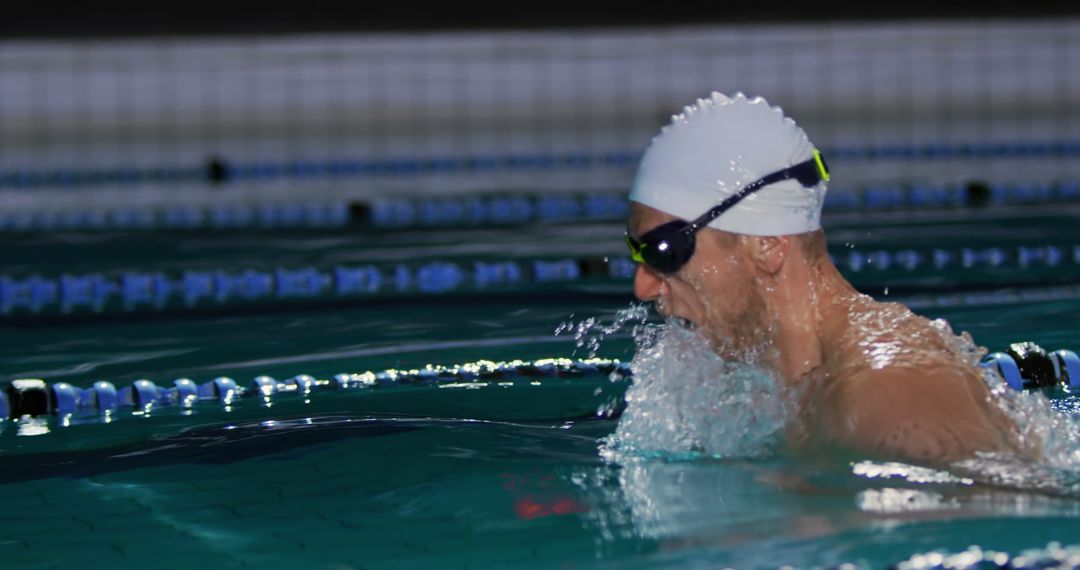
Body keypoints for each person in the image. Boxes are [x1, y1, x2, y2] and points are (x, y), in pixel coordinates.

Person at [624, 92, 1025, 465]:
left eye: (664, 251)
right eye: (636, 251)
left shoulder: (889, 392)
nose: (643, 286)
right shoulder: (781, 388)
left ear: (765, 245)